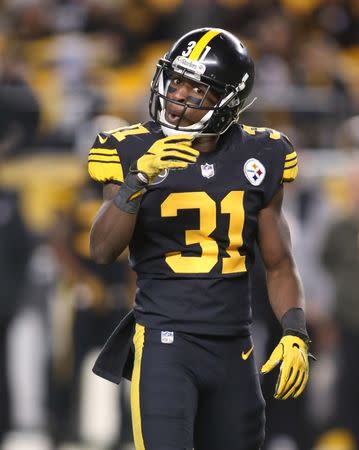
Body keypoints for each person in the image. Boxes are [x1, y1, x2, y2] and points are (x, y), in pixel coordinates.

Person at [87, 27, 311, 450]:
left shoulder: (261, 155)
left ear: (228, 98)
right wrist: (137, 182)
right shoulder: (132, 149)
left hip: (235, 349)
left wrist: (295, 330)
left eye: (196, 86)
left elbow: (280, 263)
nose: (178, 93)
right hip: (165, 343)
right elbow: (101, 249)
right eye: (176, 80)